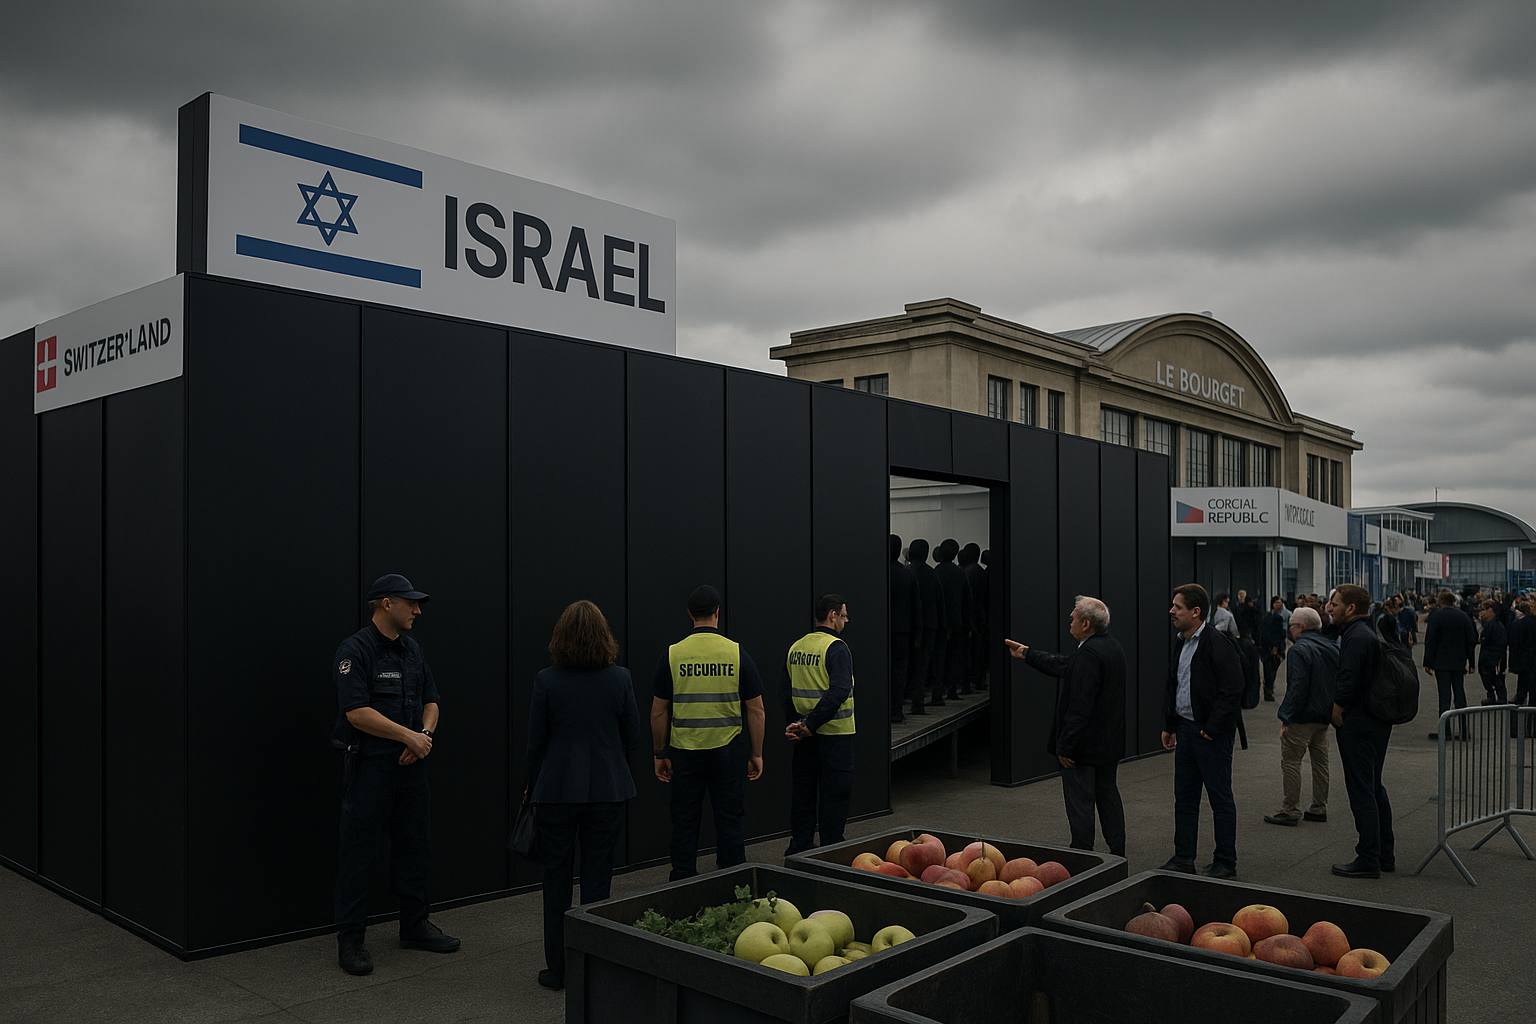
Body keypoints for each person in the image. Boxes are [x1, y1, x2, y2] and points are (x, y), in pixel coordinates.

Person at [331, 574, 458, 977]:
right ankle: (351, 940)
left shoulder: (412, 650)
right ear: (387, 604)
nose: (417, 610)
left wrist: (424, 737)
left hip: (412, 767)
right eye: (411, 603)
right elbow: (357, 712)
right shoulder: (355, 650)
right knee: (358, 854)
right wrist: (409, 736)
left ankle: (414, 926)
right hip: (371, 768)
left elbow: (432, 700)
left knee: (415, 848)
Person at [526, 600, 640, 989]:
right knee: (597, 880)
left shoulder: (546, 680)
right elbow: (633, 737)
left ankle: (557, 969)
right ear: (604, 637)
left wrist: (531, 785)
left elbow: (535, 743)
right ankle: (592, 968)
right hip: (608, 788)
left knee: (555, 880)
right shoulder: (620, 678)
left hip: (556, 790)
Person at [651, 585, 765, 880]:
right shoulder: (736, 652)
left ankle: (682, 882)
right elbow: (756, 710)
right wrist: (756, 753)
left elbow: (659, 712)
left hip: (685, 752)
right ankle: (733, 882)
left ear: (690, 614)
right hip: (727, 752)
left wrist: (660, 753)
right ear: (717, 612)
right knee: (730, 820)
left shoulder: (673, 654)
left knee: (684, 821)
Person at [1005, 596, 1127, 855]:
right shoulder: (1111, 646)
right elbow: (1065, 665)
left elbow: (1079, 705)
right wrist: (1027, 653)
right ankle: (1118, 852)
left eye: (1073, 618)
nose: (1069, 621)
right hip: (1108, 744)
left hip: (1083, 747)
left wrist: (1065, 746)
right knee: (1108, 797)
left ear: (1085, 624)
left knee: (1080, 804)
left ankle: (1082, 855)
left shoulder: (1089, 653)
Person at [1160, 583, 1245, 879]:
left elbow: (1232, 689)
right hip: (1185, 730)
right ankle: (1184, 857)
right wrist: (1170, 724)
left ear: (1196, 612)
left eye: (1178, 607)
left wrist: (1212, 728)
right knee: (1184, 798)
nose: (1172, 611)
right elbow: (1174, 684)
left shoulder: (1217, 643)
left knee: (1220, 798)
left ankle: (1225, 861)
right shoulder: (1181, 642)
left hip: (1210, 736)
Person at [1328, 584, 1395, 879]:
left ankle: (1368, 857)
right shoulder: (1369, 633)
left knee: (1362, 789)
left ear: (1351, 608)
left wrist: (1337, 709)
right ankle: (1383, 854)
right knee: (1374, 786)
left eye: (1335, 604)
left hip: (1359, 722)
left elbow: (1349, 678)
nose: (1330, 609)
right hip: (1377, 720)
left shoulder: (1355, 636)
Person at [783, 594, 856, 855]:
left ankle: (800, 849)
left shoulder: (797, 647)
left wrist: (797, 725)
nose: (846, 621)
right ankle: (830, 852)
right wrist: (812, 724)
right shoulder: (836, 648)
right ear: (832, 615)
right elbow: (839, 691)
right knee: (835, 797)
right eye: (844, 615)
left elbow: (786, 691)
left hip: (804, 737)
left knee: (803, 793)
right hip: (835, 736)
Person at [1264, 606, 1336, 827]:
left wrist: (1286, 716)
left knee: (1292, 761)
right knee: (1320, 762)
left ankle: (1290, 809)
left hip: (1302, 716)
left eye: (1292, 625)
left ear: (1301, 627)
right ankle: (1319, 806)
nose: (1290, 629)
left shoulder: (1298, 650)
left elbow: (1297, 685)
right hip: (1324, 715)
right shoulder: (1332, 647)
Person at [1423, 589, 1477, 739]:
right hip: (1459, 662)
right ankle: (1464, 730)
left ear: (1440, 601)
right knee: (1460, 694)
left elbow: (1430, 640)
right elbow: (1470, 640)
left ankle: (1445, 731)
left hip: (1441, 662)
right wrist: (1472, 662)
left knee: (1444, 697)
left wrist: (1428, 662)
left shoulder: (1436, 616)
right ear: (1454, 601)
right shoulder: (1464, 616)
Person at [933, 539, 975, 700]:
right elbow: (967, 601)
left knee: (939, 659)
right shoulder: (961, 573)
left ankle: (937, 692)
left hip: (939, 622)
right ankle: (952, 690)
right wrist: (969, 625)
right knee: (955, 657)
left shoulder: (935, 572)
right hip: (957, 622)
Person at [906, 539, 942, 716]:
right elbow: (939, 600)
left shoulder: (907, 572)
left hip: (907, 625)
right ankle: (918, 702)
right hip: (929, 625)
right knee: (923, 665)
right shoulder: (932, 573)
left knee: (904, 665)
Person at [889, 537, 920, 723]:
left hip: (881, 631)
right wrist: (917, 633)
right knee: (900, 671)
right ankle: (896, 709)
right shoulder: (907, 574)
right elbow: (916, 607)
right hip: (902, 631)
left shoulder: (878, 572)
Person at [961, 542, 990, 692]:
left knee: (968, 653)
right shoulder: (981, 573)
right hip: (980, 618)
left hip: (970, 619)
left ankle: (968, 682)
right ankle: (979, 681)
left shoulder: (967, 573)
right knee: (979, 653)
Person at [1511, 596, 1536, 735]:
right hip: (1531, 665)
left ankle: (1520, 728)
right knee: (1533, 698)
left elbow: (1514, 645)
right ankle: (1532, 728)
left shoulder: (1519, 624)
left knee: (1521, 695)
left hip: (1524, 665)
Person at [1476, 600, 1509, 704]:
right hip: (1486, 656)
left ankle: (1501, 698)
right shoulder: (1489, 624)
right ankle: (1491, 696)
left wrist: (1497, 660)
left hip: (1494, 657)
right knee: (1486, 676)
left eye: (1484, 610)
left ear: (1490, 610)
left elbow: (1500, 644)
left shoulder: (1497, 626)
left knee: (1496, 678)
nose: (1482, 612)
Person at [1259, 595, 1289, 702]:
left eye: (1281, 603)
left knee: (1272, 669)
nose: (1280, 605)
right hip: (1269, 648)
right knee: (1269, 669)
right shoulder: (1268, 618)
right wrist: (1272, 646)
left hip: (1275, 648)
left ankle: (1269, 688)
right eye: (1277, 603)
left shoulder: (1279, 618)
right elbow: (1266, 633)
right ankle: (1268, 689)